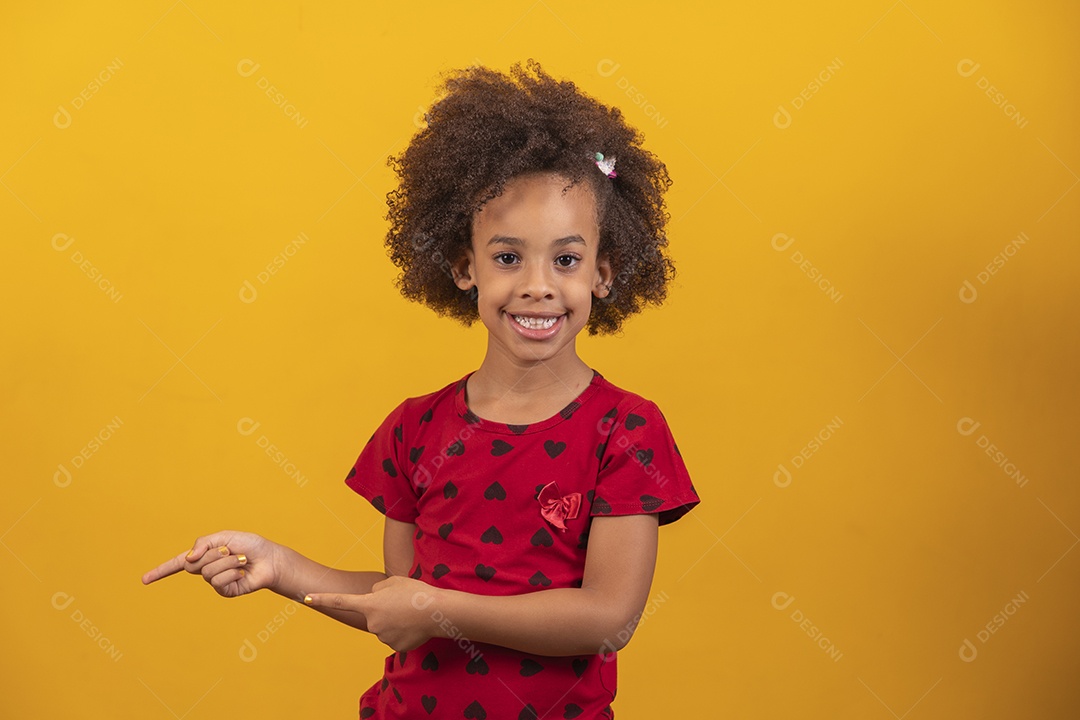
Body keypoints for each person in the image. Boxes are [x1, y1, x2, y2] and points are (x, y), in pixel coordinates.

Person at [143, 60, 700, 720]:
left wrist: (439, 609)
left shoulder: (626, 430)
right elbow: (402, 600)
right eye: (508, 257)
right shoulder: (415, 428)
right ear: (465, 267)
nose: (538, 285)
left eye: (567, 260)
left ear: (603, 274)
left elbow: (608, 618)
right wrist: (281, 567)